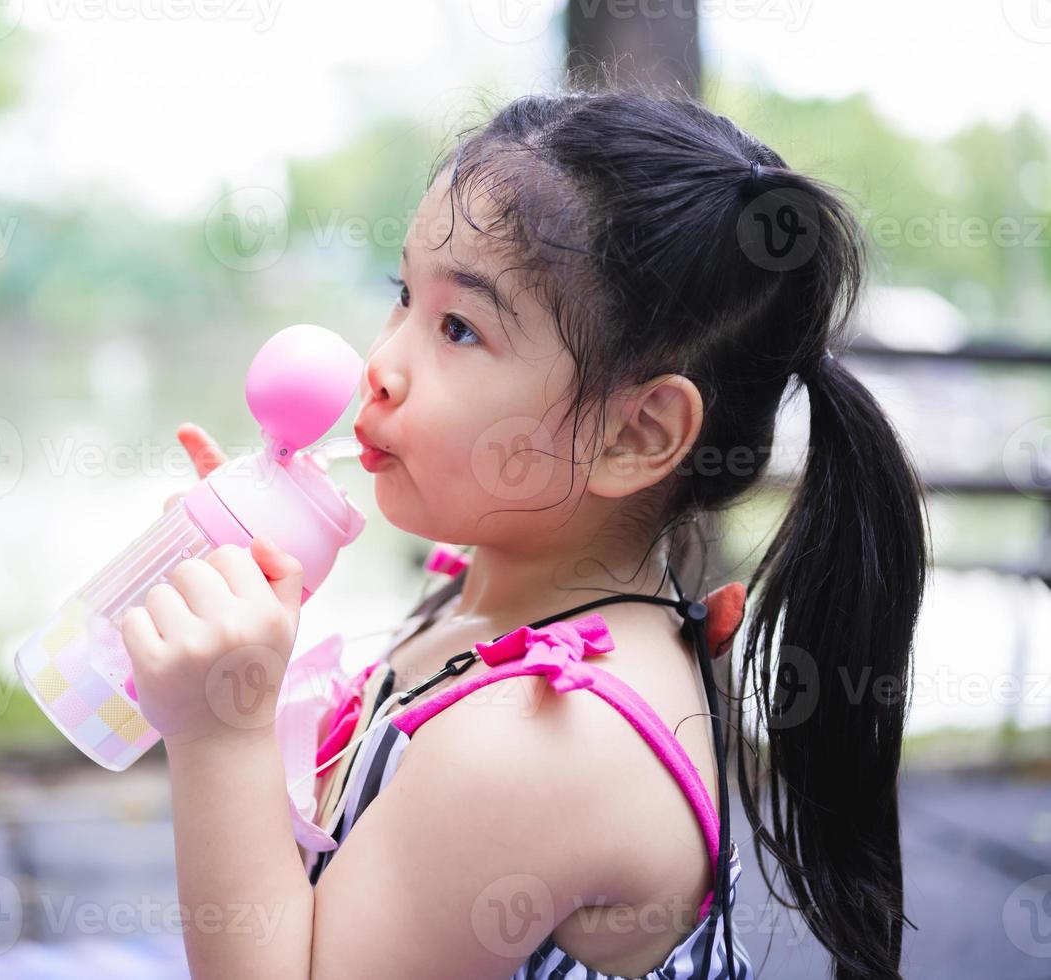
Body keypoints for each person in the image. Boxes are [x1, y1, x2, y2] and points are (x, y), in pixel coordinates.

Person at [124, 86, 929, 980]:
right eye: (404, 296)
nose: (380, 365)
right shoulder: (507, 609)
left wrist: (218, 729)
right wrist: (251, 600)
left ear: (635, 436)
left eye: (459, 328)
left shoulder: (542, 737)